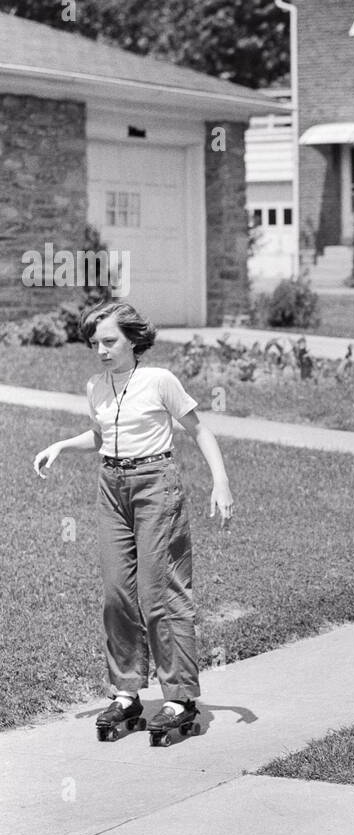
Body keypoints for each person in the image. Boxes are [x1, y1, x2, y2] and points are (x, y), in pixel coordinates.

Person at [32, 301, 233, 743]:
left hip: (155, 485)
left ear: (133, 339)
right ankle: (126, 692)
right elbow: (102, 436)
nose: (102, 351)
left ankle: (179, 697)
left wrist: (220, 483)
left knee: (159, 594)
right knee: (116, 594)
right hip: (111, 485)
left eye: (110, 341)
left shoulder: (159, 381)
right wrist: (62, 445)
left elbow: (199, 429)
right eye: (95, 344)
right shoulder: (95, 386)